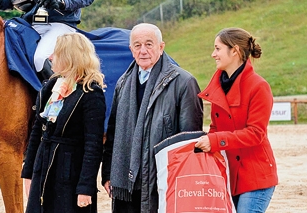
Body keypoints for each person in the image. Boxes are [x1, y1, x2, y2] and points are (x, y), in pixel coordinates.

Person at [101, 23, 203, 213]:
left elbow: (189, 141)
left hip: (161, 182)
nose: (143, 51)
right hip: (125, 183)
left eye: (149, 44)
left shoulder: (184, 82)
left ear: (161, 47)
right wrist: (108, 173)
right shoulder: (123, 83)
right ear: (131, 50)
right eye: (137, 45)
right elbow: (113, 133)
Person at [194, 27, 278, 213]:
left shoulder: (259, 86)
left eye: (217, 49)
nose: (213, 54)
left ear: (235, 51)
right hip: (228, 174)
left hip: (256, 176)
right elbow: (215, 128)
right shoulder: (218, 86)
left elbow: (256, 134)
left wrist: (214, 141)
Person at [21, 33, 106, 213]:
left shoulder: (91, 93)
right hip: (43, 169)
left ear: (69, 57)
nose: (51, 57)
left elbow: (93, 145)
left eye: (56, 53)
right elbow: (37, 130)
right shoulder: (51, 88)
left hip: (69, 176)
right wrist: (28, 173)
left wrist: (85, 187)